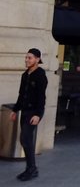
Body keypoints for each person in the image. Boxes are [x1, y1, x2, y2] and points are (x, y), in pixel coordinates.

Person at [11, 48, 48, 182]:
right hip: (25, 111)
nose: (27, 60)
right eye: (26, 58)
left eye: (30, 58)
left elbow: (41, 97)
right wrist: (15, 110)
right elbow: (21, 95)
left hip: (34, 112)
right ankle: (31, 168)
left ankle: (32, 169)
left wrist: (38, 114)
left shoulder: (40, 75)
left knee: (26, 139)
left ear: (37, 59)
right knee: (25, 140)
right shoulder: (25, 75)